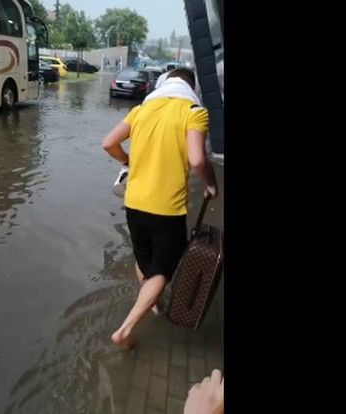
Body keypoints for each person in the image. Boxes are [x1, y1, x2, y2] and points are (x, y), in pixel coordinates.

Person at [102, 67, 218, 349]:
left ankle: (149, 303)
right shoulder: (193, 111)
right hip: (167, 209)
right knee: (163, 271)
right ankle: (125, 330)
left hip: (134, 202)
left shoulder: (142, 109)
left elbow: (108, 143)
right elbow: (197, 160)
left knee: (144, 261)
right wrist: (212, 185)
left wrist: (127, 160)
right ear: (192, 88)